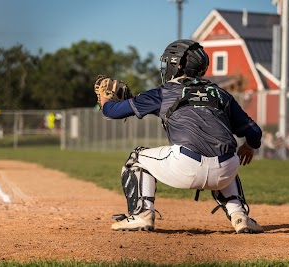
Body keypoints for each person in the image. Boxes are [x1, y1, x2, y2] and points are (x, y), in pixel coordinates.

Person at [100, 39, 263, 234]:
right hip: (225, 171)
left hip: (186, 167)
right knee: (227, 156)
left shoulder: (163, 92)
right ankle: (239, 216)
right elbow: (254, 132)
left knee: (136, 158)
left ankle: (142, 214)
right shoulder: (220, 94)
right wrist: (249, 145)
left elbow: (112, 112)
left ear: (176, 66)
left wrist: (105, 100)